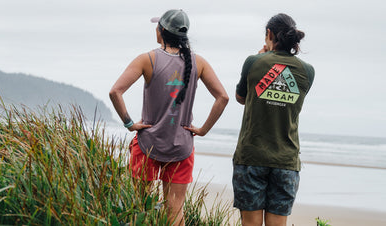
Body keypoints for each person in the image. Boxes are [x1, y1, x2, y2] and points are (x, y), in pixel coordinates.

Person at [109, 9, 228, 226]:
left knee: (139, 208)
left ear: (161, 31)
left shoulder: (147, 59)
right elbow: (223, 97)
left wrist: (129, 124)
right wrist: (203, 130)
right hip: (181, 146)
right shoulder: (198, 62)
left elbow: (115, 91)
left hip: (147, 144)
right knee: (175, 211)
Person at [233, 13, 315, 226]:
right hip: (286, 160)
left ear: (269, 34)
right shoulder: (307, 71)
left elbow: (241, 98)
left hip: (252, 156)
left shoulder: (253, 62)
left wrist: (261, 57)